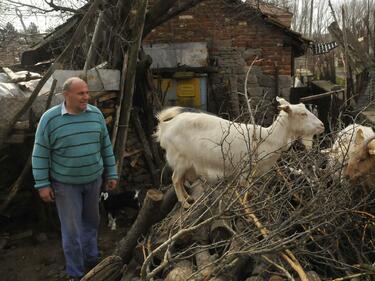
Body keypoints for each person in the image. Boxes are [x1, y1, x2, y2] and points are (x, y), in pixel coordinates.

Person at [31, 77, 118, 281]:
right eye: (81, 93)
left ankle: (92, 259)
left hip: (93, 181)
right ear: (66, 95)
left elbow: (105, 146)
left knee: (92, 222)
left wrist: (111, 173)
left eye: (87, 92)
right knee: (72, 230)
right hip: (65, 185)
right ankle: (76, 273)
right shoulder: (50, 119)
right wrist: (42, 184)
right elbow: (40, 153)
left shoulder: (95, 114)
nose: (86, 97)